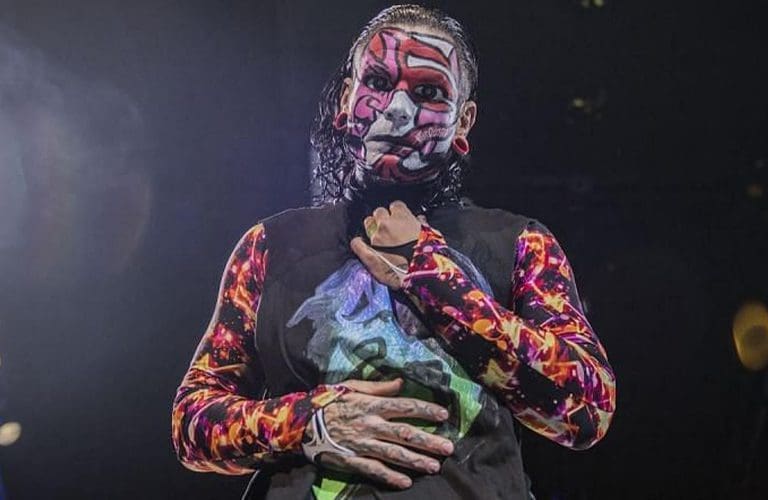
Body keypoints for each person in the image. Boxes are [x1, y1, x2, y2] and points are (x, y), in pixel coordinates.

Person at [171, 5, 616, 499]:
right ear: (347, 99)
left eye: (428, 92)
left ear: (463, 122)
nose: (397, 109)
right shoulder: (270, 245)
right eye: (379, 82)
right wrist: (309, 422)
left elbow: (586, 409)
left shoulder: (518, 242)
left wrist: (430, 271)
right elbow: (192, 422)